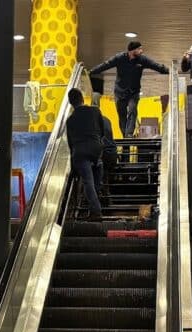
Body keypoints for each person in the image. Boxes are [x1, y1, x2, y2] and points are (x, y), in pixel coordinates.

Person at [90, 41, 169, 138]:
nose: (141, 51)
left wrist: (168, 71)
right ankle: (125, 135)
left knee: (133, 110)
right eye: (139, 49)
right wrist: (91, 72)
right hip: (120, 92)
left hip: (134, 92)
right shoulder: (119, 58)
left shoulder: (142, 60)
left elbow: (155, 65)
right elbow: (105, 65)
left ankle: (129, 133)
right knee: (122, 115)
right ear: (132, 50)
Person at [65, 88, 105, 222]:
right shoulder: (95, 111)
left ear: (71, 103)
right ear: (82, 98)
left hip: (80, 153)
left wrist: (72, 163)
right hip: (96, 149)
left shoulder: (70, 120)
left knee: (88, 182)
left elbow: (71, 144)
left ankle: (96, 211)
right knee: (96, 175)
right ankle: (98, 190)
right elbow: (102, 131)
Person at [100, 113, 117, 198]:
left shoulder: (95, 122)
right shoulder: (107, 119)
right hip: (112, 153)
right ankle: (106, 196)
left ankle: (104, 196)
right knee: (104, 176)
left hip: (104, 154)